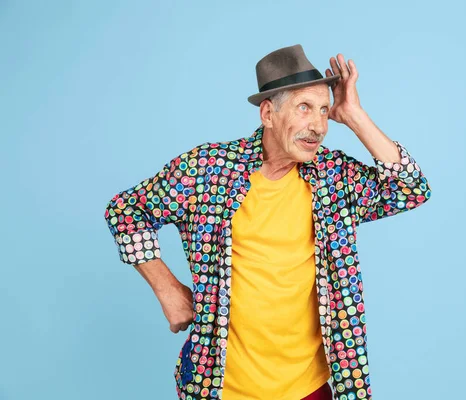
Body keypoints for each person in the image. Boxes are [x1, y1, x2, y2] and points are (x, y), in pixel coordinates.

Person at [104, 44, 432, 400]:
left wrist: (353, 115)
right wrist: (167, 289)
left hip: (309, 388)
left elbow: (411, 189)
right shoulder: (208, 171)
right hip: (222, 387)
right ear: (268, 114)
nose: (318, 126)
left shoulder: (333, 178)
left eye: (324, 110)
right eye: (304, 108)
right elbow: (126, 211)